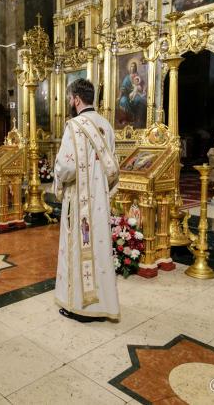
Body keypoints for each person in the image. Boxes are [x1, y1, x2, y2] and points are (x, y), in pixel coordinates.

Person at [54, 78, 120, 323]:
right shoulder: (107, 126)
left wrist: (57, 177)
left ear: (76, 99)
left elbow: (65, 167)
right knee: (100, 251)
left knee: (77, 250)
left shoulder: (74, 126)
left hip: (78, 203)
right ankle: (101, 305)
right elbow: (114, 170)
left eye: (70, 99)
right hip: (100, 203)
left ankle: (81, 307)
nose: (70, 103)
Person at [118, 61, 146, 126]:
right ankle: (127, 118)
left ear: (136, 68)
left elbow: (143, 86)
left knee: (139, 100)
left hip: (136, 94)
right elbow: (123, 88)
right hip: (127, 95)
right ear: (129, 68)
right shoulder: (127, 78)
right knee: (123, 100)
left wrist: (142, 90)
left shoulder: (138, 77)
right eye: (131, 66)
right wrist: (120, 96)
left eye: (133, 66)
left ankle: (138, 119)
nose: (132, 68)